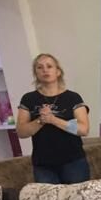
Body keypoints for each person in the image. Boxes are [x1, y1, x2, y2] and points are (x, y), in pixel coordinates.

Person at [16, 53, 90, 184]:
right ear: (36, 73)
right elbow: (21, 132)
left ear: (58, 72)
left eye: (49, 66)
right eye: (40, 67)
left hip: (73, 161)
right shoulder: (28, 99)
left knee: (77, 196)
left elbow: (83, 129)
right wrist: (41, 120)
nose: (45, 70)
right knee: (49, 197)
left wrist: (53, 120)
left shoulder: (73, 98)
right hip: (43, 164)